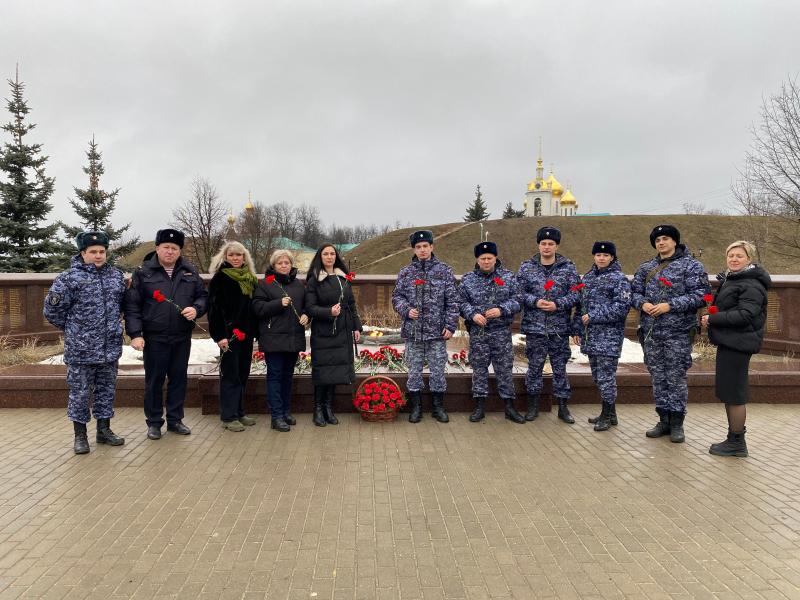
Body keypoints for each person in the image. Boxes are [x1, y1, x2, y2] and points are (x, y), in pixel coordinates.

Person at [44, 231, 126, 454]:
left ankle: (104, 430)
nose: (98, 255)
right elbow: (52, 311)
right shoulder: (68, 278)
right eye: (93, 252)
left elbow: (123, 306)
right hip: (81, 350)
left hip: (109, 349)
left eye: (102, 251)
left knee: (106, 391)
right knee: (80, 394)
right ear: (83, 253)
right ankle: (80, 436)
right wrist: (75, 330)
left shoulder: (116, 277)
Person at [124, 229, 208, 440]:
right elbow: (133, 306)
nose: (170, 252)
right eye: (166, 247)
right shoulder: (143, 273)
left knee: (179, 378)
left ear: (180, 251)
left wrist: (196, 309)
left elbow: (203, 297)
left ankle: (175, 420)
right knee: (154, 381)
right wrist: (135, 334)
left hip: (181, 335)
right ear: (157, 248)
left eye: (174, 248)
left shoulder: (190, 271)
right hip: (155, 337)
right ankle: (154, 422)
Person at [631, 224, 708, 443]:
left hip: (678, 332)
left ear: (675, 241)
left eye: (665, 238)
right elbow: (633, 293)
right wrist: (643, 303)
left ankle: (677, 423)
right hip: (652, 333)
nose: (661, 243)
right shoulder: (647, 268)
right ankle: (663, 419)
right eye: (657, 240)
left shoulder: (691, 266)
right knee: (657, 376)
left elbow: (702, 295)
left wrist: (670, 305)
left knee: (675, 377)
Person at [701, 241, 770, 458]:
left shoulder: (751, 284)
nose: (733, 259)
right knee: (730, 391)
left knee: (735, 393)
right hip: (731, 341)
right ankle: (733, 438)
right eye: (730, 255)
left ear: (749, 259)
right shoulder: (735, 279)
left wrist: (713, 318)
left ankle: (737, 442)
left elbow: (745, 315)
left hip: (739, 343)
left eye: (739, 256)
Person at [392, 230, 459, 423]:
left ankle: (438, 407)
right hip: (413, 333)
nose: (422, 250)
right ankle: (416, 408)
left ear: (432, 247)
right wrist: (406, 309)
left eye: (425, 246)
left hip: (437, 333)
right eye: (418, 247)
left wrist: (450, 325)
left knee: (438, 371)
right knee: (414, 372)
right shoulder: (406, 272)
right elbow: (396, 297)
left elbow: (453, 301)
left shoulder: (444, 271)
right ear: (414, 249)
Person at [517, 226, 580, 423]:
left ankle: (562, 407)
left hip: (559, 329)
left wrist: (558, 304)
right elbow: (517, 293)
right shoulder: (526, 267)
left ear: (556, 245)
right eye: (543, 243)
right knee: (534, 367)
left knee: (559, 368)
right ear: (538, 245)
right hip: (535, 328)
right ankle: (533, 407)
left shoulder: (568, 268)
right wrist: (535, 301)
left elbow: (577, 292)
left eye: (550, 244)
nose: (546, 247)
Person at [458, 241, 524, 424]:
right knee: (479, 369)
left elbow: (518, 300)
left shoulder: (509, 277)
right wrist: (472, 314)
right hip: (479, 333)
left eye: (489, 258)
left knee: (504, 370)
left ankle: (510, 407)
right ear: (477, 260)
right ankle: (479, 406)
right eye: (482, 258)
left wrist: (502, 309)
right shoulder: (468, 279)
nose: (486, 262)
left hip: (501, 332)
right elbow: (461, 303)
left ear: (495, 258)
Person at [572, 242, 631, 431]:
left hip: (609, 337)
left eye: (606, 255)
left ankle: (606, 415)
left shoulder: (619, 278)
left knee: (606, 377)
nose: (601, 258)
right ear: (593, 256)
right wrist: (577, 329)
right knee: (598, 377)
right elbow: (581, 307)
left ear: (612, 257)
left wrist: (594, 316)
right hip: (591, 336)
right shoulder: (588, 278)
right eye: (598, 254)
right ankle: (610, 414)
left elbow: (622, 307)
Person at [304, 244, 362, 426]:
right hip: (324, 332)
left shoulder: (343, 277)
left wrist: (356, 327)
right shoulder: (315, 279)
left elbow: (351, 304)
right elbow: (310, 307)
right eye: (325, 254)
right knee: (323, 372)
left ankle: (329, 408)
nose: (329, 257)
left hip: (342, 331)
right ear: (320, 257)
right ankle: (318, 409)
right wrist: (329, 312)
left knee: (335, 371)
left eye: (332, 254)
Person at [252, 249, 309, 432]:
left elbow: (306, 306)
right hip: (273, 338)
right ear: (273, 265)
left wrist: (307, 316)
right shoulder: (266, 284)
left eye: (287, 262)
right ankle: (276, 416)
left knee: (287, 377)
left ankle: (285, 411)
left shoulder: (298, 284)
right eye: (280, 263)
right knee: (275, 377)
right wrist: (278, 304)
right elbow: (257, 308)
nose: (284, 266)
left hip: (293, 337)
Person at [208, 241, 258, 432]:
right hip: (228, 337)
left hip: (246, 336)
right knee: (230, 376)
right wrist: (220, 336)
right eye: (232, 255)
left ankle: (239, 412)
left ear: (245, 257)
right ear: (225, 257)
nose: (236, 259)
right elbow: (214, 311)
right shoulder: (220, 279)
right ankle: (228, 417)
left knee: (242, 374)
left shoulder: (249, 278)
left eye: (239, 255)